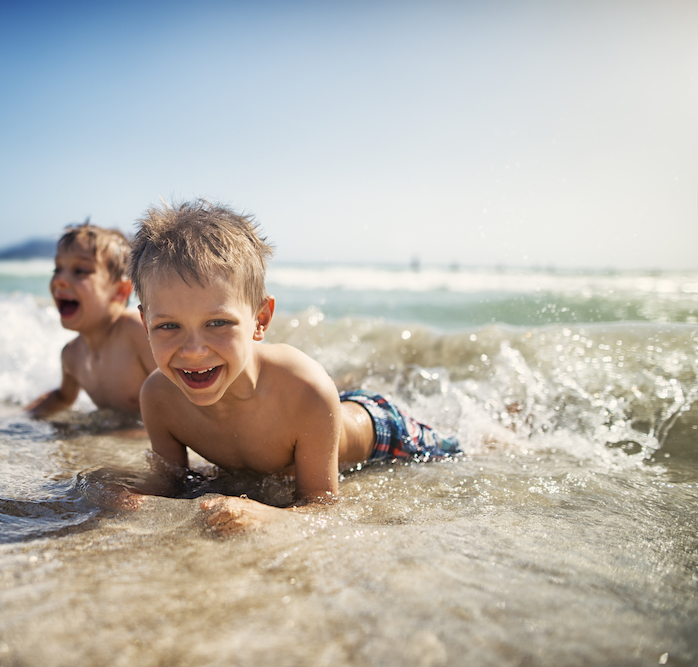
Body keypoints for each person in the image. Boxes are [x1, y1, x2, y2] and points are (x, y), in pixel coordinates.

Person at [129, 200, 460, 534]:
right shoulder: (159, 399)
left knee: (459, 451)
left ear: (261, 319)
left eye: (218, 322)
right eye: (168, 326)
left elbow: (322, 507)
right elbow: (171, 484)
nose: (194, 351)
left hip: (385, 432)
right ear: (145, 323)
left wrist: (267, 515)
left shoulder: (304, 388)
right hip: (317, 420)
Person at [26, 222, 157, 419]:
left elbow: (177, 396)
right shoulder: (72, 355)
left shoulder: (135, 332)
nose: (60, 280)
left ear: (120, 292)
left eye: (80, 271)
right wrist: (21, 419)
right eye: (57, 269)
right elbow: (63, 398)